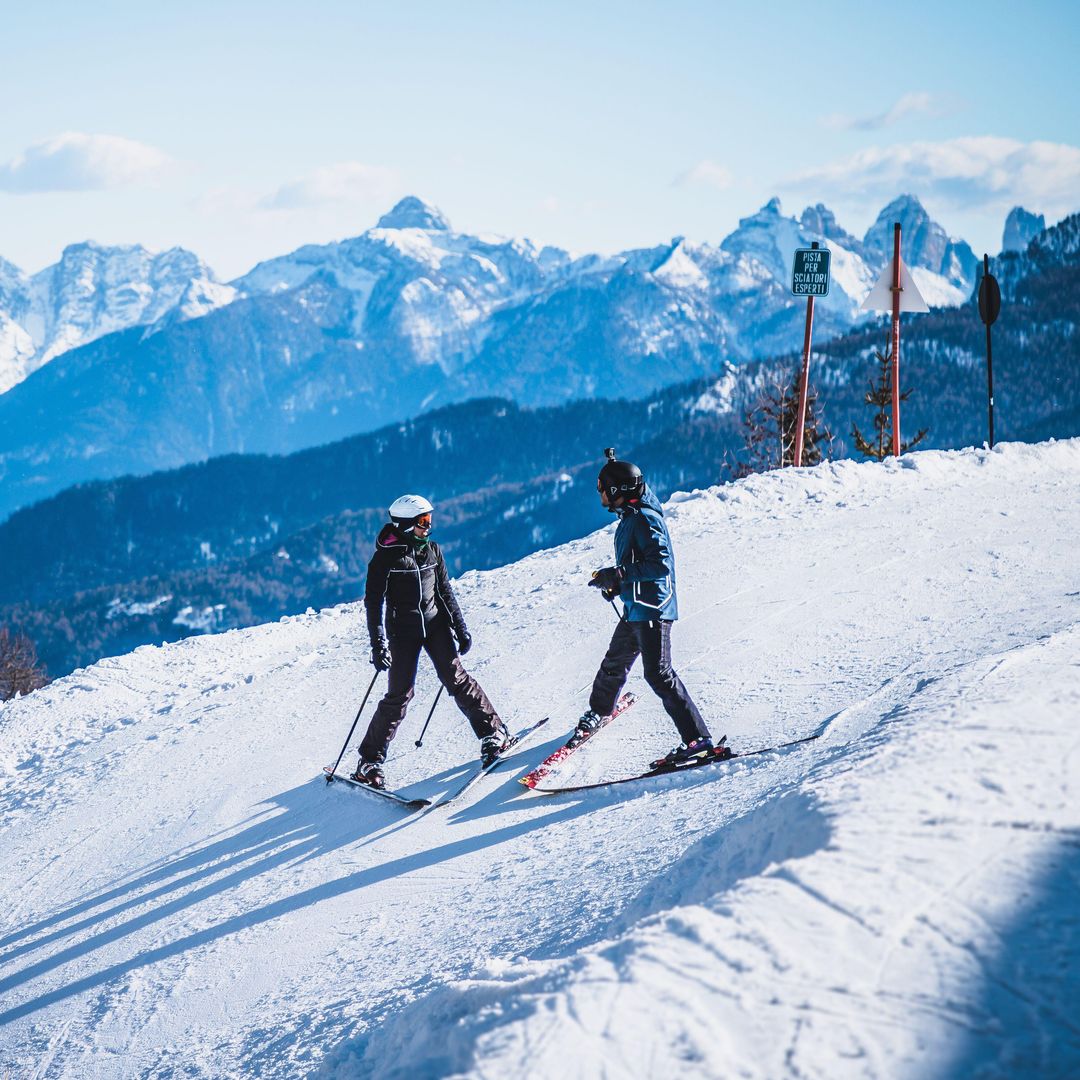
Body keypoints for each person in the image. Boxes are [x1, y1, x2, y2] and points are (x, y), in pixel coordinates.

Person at [355, 494, 509, 788]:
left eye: (430, 520)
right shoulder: (385, 559)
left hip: (435, 624)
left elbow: (444, 590)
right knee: (400, 694)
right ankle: (369, 761)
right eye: (423, 522)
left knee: (456, 678)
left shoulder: (433, 551)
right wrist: (378, 644)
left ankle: (494, 732)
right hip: (403, 629)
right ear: (404, 524)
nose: (429, 527)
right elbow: (373, 603)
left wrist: (460, 627)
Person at [583, 450, 713, 768]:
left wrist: (620, 575)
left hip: (653, 608)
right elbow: (635, 563)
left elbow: (660, 565)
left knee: (659, 673)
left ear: (618, 491)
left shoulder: (645, 518)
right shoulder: (631, 518)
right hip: (636, 606)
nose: (600, 495)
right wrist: (616, 584)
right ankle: (598, 711)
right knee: (615, 660)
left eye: (603, 489)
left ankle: (698, 741)